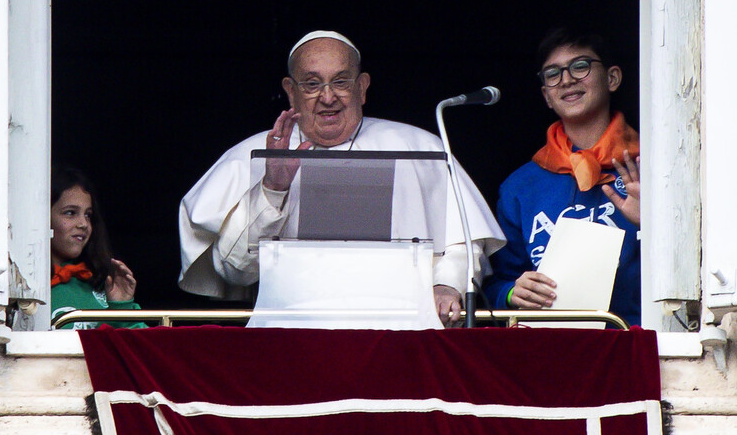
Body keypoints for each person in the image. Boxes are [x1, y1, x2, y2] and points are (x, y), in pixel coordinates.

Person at [178, 30, 505, 325]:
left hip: (406, 330)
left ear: (362, 87)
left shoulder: (420, 148)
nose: (328, 96)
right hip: (291, 334)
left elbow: (464, 241)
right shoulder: (251, 155)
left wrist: (446, 284)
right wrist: (271, 189)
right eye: (311, 83)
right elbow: (235, 272)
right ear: (290, 92)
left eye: (341, 81)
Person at [483, 26, 641, 326]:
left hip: (636, 343)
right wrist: (511, 293)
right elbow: (493, 284)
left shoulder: (654, 168)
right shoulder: (521, 186)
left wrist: (653, 226)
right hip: (548, 349)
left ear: (612, 78)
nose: (567, 80)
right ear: (546, 95)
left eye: (580, 66)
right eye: (553, 73)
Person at [50, 167, 148, 329]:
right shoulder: (24, 289)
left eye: (88, 214)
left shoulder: (102, 282)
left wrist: (121, 307)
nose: (83, 224)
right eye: (70, 213)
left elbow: (143, 346)